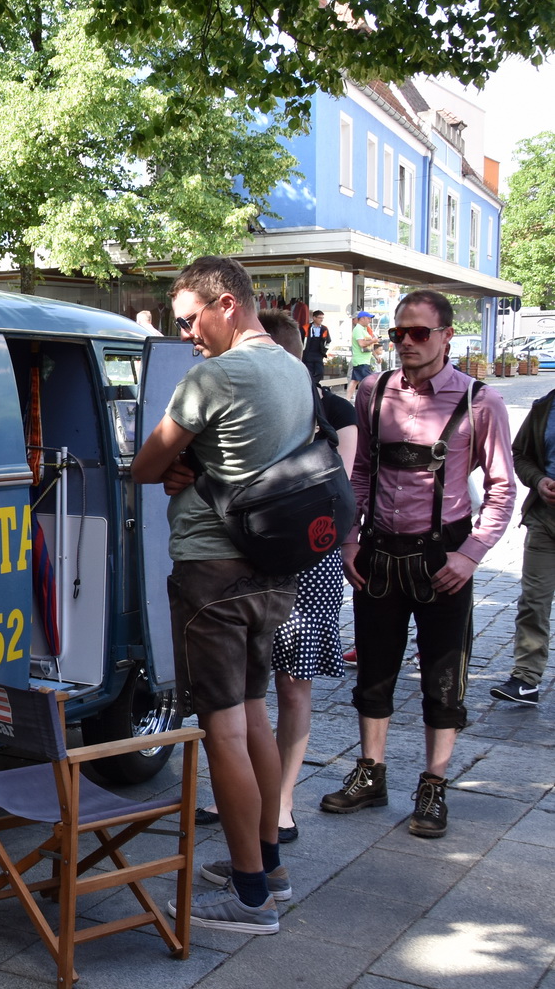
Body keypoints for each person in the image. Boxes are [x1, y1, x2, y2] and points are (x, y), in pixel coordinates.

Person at [132, 256, 314, 934]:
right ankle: (269, 864)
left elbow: (146, 464)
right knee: (255, 714)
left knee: (224, 730)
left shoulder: (218, 375)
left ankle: (248, 895)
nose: (186, 336)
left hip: (212, 572)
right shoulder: (295, 370)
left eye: (189, 319)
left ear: (227, 304)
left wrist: (180, 463)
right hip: (271, 567)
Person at [323, 290, 515, 839]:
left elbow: (502, 489)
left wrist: (470, 554)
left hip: (443, 557)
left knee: (443, 677)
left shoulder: (482, 402)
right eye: (397, 333)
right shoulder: (373, 390)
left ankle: (433, 785)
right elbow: (359, 472)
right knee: (375, 669)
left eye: (419, 333)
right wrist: (349, 540)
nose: (405, 342)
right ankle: (371, 772)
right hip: (378, 553)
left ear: (447, 335)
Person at [195, 311, 358, 846]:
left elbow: (332, 488)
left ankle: (283, 800)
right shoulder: (248, 407)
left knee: (292, 685)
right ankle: (239, 793)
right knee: (250, 689)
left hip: (308, 559)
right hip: (254, 557)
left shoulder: (334, 410)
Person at [492, 382, 555, 705]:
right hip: (545, 519)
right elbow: (521, 455)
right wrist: (539, 481)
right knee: (534, 601)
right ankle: (526, 678)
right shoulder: (544, 407)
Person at [346, 312, 378, 400]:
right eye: (368, 318)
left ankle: (348, 400)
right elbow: (362, 343)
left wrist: (376, 356)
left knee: (355, 381)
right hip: (361, 361)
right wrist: (373, 341)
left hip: (363, 360)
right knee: (369, 381)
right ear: (363, 318)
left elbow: (368, 346)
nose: (370, 321)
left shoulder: (363, 329)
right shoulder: (358, 329)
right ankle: (370, 399)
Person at [301, 310, 330, 384]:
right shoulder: (305, 328)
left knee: (320, 372)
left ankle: (314, 384)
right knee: (308, 372)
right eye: (319, 318)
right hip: (307, 354)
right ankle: (311, 386)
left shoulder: (324, 329)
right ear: (314, 318)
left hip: (319, 354)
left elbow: (328, 341)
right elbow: (300, 340)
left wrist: (324, 351)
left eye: (322, 318)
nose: (321, 319)